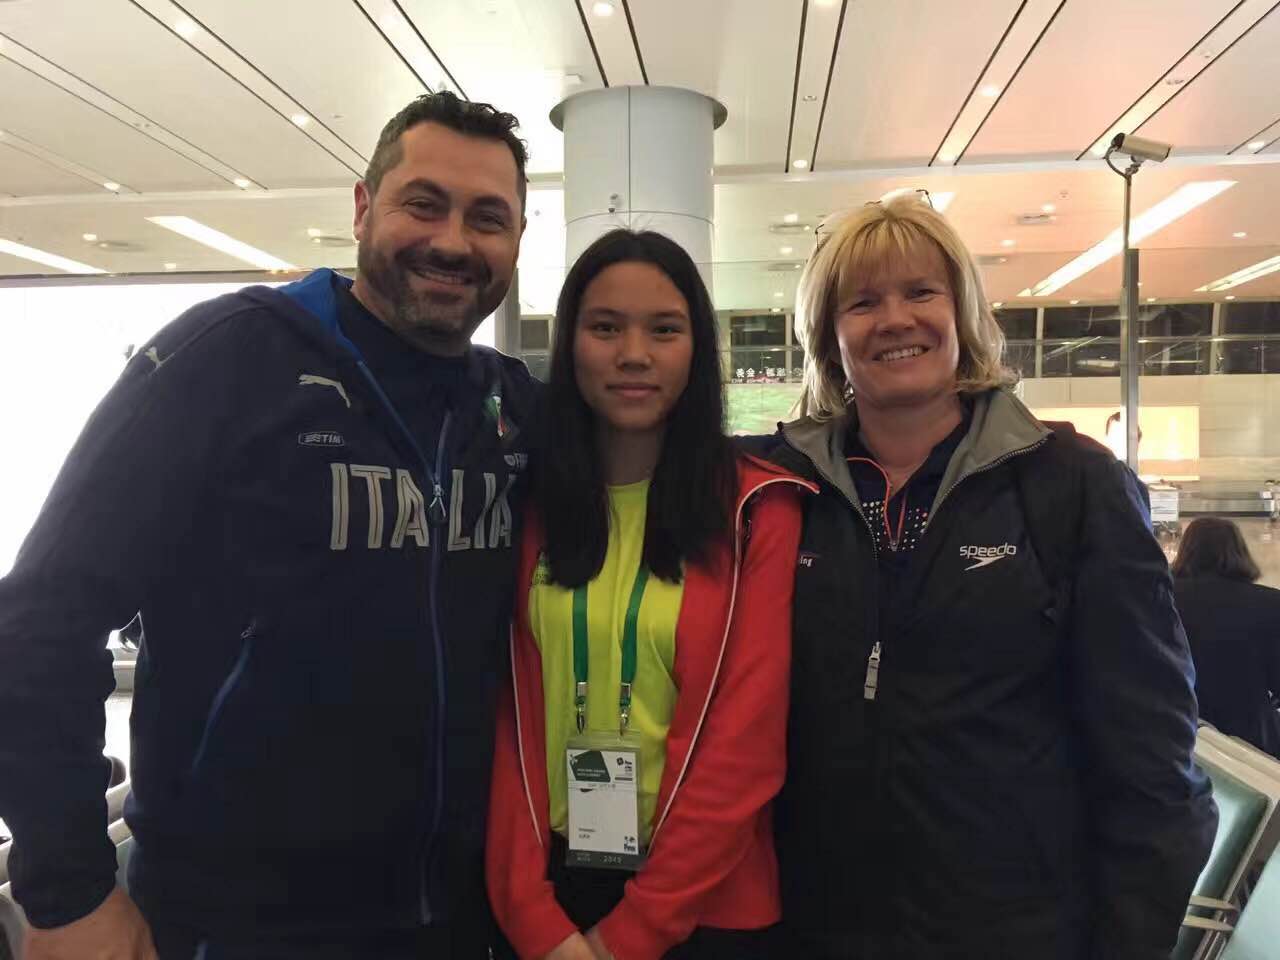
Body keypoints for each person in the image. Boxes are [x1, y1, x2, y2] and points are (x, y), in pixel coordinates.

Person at [0, 91, 537, 959]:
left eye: (488, 218)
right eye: (424, 203)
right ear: (363, 208)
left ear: (516, 240)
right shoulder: (229, 358)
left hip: (458, 919)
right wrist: (67, 893)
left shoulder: (509, 407)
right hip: (236, 925)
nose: (452, 241)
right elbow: (41, 622)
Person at [753, 195, 1217, 959]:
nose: (895, 319)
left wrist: (1127, 938)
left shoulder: (1070, 486)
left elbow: (1152, 754)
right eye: (862, 302)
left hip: (1018, 930)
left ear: (963, 312)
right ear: (828, 335)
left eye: (920, 292)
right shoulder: (782, 490)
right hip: (819, 927)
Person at [486, 230, 808, 960]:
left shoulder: (758, 511)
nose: (634, 354)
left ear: (697, 349)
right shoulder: (527, 508)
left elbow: (745, 748)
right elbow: (505, 723)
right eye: (606, 328)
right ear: (570, 345)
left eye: (664, 329)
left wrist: (627, 939)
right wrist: (533, 918)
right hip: (550, 895)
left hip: (706, 905)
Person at [1173, 517, 1280, 757]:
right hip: (1251, 739)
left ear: (1185, 551)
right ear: (1240, 552)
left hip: (1177, 732)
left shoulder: (1162, 598)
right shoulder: (1271, 603)